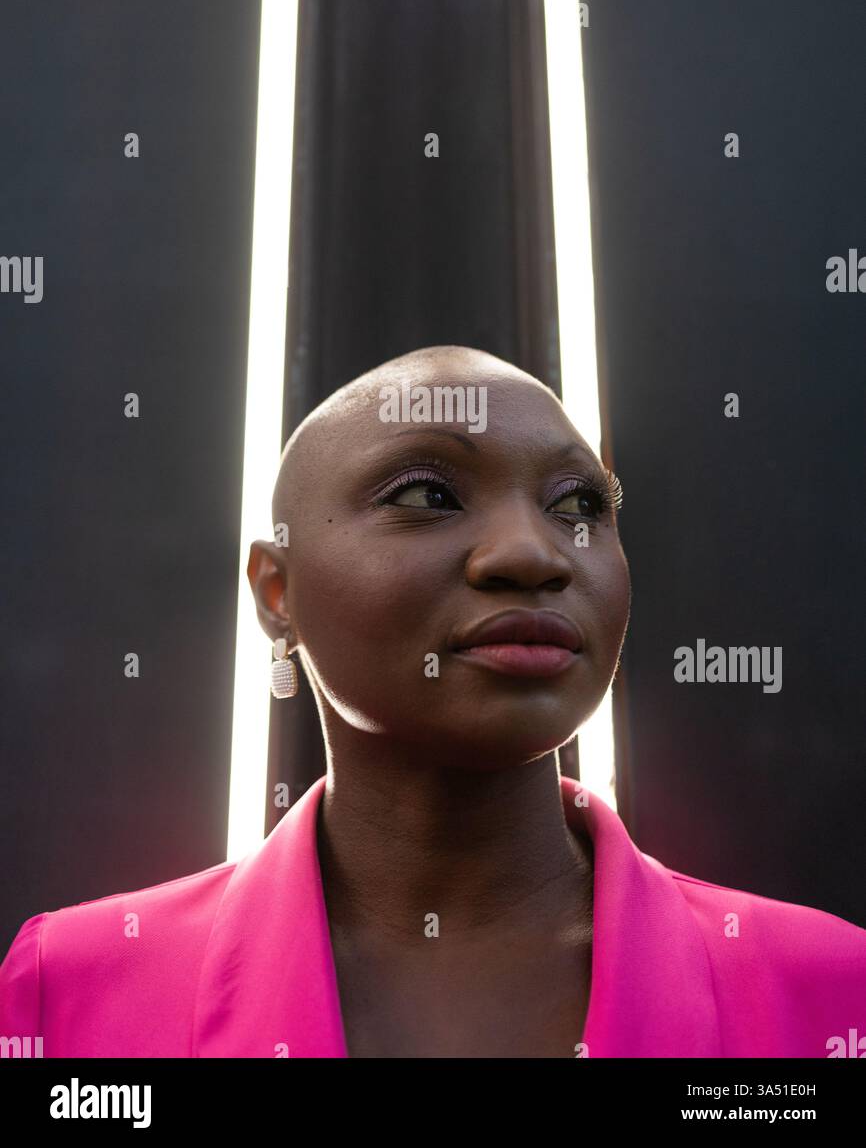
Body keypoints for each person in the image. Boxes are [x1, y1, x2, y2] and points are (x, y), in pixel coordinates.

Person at [1, 344, 865, 1058]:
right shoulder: (68, 993)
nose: (534, 554)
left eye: (579, 505)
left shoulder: (827, 987)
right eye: (427, 496)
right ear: (277, 592)